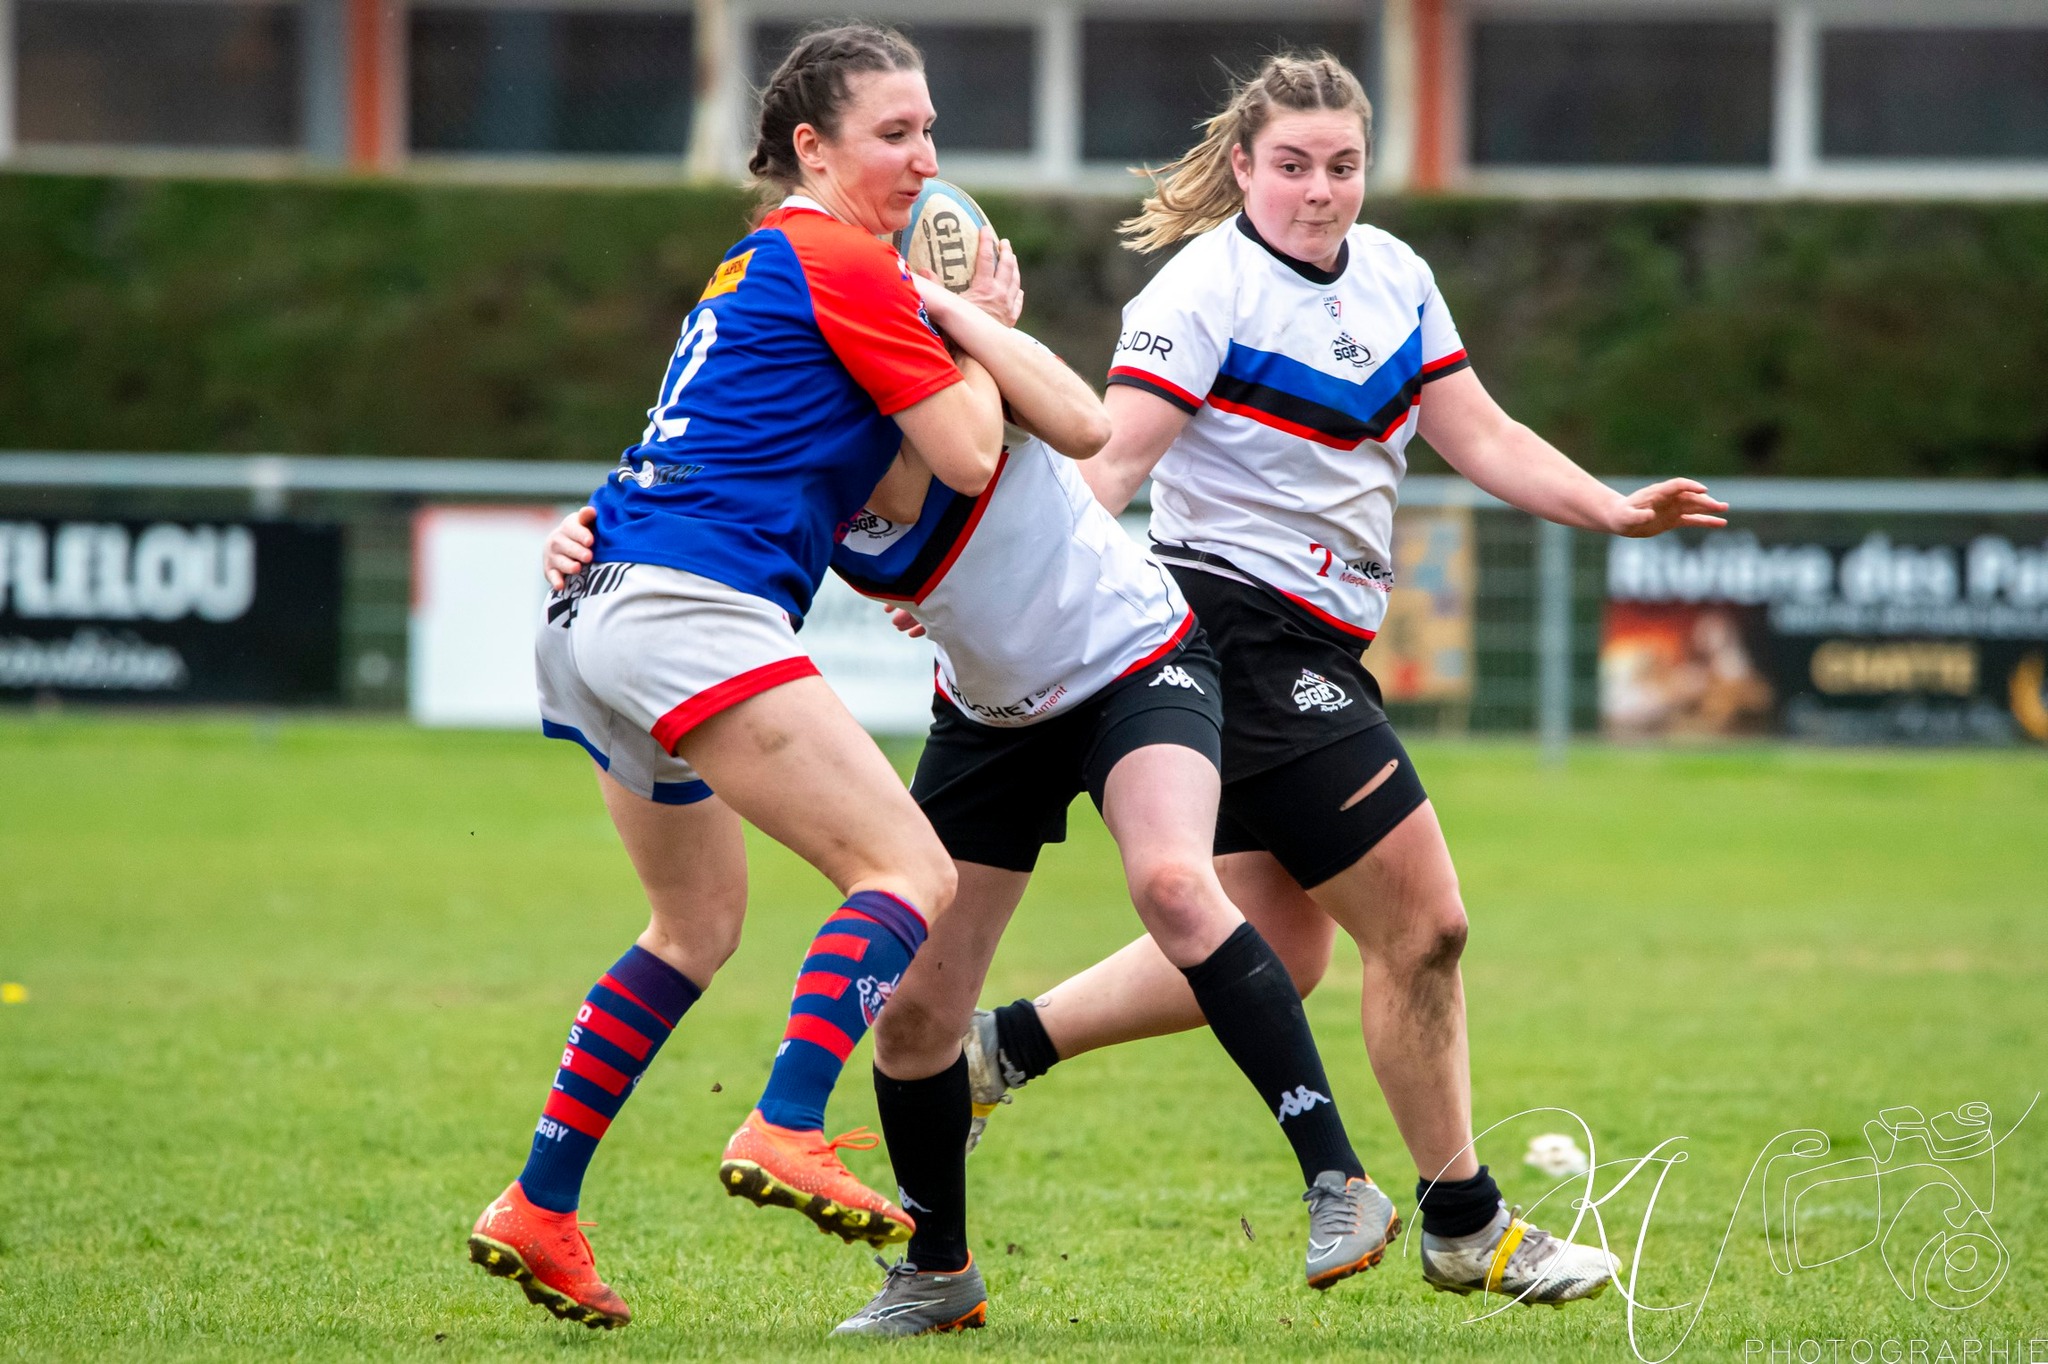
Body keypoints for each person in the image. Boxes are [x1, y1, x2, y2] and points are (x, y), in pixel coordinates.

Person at [960, 51, 1728, 1307]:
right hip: (1234, 630)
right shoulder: (1200, 289)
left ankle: (997, 1049)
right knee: (1426, 925)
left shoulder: (1393, 275)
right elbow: (1106, 466)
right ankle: (1465, 1219)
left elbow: (1472, 428)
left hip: (1314, 642)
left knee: (1275, 947)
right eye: (1292, 167)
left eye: (1342, 166)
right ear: (1244, 167)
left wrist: (1608, 507)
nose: (1320, 191)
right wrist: (981, 576)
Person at [542, 253, 1403, 1338]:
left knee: (1175, 882)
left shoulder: (956, 375)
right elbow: (690, 487)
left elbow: (1088, 427)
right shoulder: (812, 449)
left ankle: (1337, 1180)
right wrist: (584, 528)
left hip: (1137, 662)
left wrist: (969, 316)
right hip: (991, 717)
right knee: (912, 1015)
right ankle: (937, 1271)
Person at [464, 23, 1054, 1330]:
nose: (926, 157)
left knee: (694, 928)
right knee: (910, 872)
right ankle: (788, 1120)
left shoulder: (759, 264)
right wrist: (984, 329)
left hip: (596, 607)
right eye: (895, 133)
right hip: (689, 612)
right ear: (812, 146)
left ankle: (539, 1209)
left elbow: (887, 481)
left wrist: (950, 336)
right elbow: (966, 456)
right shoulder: (843, 257)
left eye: (930, 130)